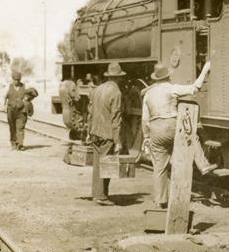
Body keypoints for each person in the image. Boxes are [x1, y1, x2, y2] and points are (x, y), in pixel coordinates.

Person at [142, 61, 218, 209]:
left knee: (159, 168)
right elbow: (195, 89)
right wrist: (205, 69)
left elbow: (144, 119)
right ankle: (202, 165)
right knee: (192, 136)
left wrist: (146, 137)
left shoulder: (148, 94)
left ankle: (160, 202)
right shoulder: (171, 88)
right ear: (167, 77)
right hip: (171, 125)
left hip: (155, 131)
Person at [88, 61, 127, 206]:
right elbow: (116, 117)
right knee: (106, 164)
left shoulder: (98, 89)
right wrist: (117, 141)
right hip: (107, 133)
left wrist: (88, 131)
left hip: (95, 131)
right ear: (118, 77)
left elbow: (90, 112)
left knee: (98, 163)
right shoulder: (116, 92)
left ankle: (96, 193)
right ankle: (102, 196)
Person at [3, 71, 27, 150]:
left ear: (20, 79)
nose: (17, 81)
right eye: (15, 80)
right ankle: (13, 143)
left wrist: (26, 102)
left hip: (21, 111)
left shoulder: (24, 86)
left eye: (18, 79)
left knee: (20, 127)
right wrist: (4, 106)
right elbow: (4, 96)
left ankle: (20, 144)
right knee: (12, 127)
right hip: (11, 110)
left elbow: (29, 97)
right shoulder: (8, 86)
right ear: (12, 79)